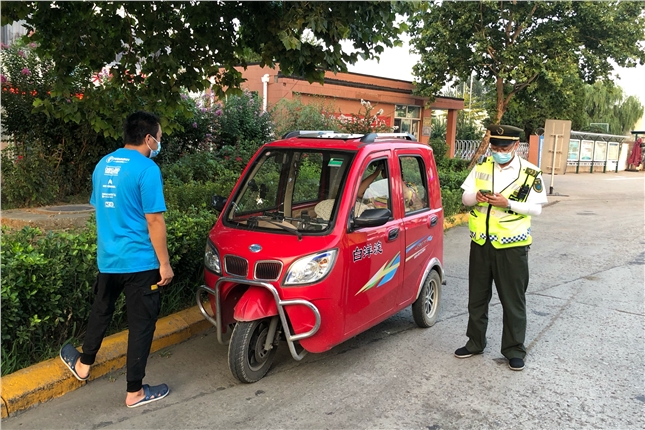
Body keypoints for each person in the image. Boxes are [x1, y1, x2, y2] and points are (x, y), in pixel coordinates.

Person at [60, 111, 174, 407]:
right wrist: (164, 263)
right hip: (141, 263)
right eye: (159, 138)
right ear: (148, 138)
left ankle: (83, 365)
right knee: (141, 324)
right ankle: (135, 392)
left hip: (109, 259)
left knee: (102, 310)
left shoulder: (103, 164)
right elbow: (154, 222)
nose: (159, 144)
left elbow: (102, 208)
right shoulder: (146, 169)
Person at [455, 124, 548, 371]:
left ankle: (514, 349)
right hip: (481, 243)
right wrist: (477, 197)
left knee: (512, 300)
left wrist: (508, 203)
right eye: (495, 147)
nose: (498, 152)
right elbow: (465, 198)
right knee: (477, 298)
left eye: (503, 147)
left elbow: (536, 208)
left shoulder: (530, 173)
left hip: (512, 246)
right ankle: (475, 342)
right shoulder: (482, 167)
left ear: (516, 146)